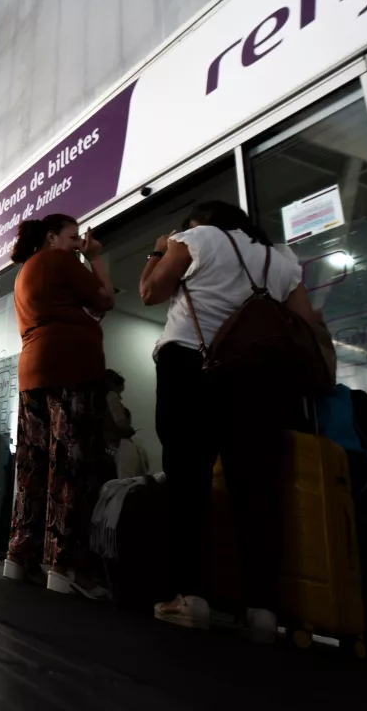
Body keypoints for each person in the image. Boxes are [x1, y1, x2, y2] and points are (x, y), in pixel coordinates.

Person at [138, 199, 310, 643]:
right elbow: (304, 324)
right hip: (258, 378)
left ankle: (190, 598)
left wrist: (159, 251)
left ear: (202, 223)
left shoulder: (195, 238)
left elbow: (150, 293)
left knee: (188, 482)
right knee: (255, 489)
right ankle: (263, 611)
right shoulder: (282, 258)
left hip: (190, 367)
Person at [1, 213, 115, 597]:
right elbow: (105, 298)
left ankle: (20, 556)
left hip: (32, 369)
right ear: (52, 237)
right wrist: (95, 257)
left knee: (33, 465)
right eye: (72, 237)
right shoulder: (60, 260)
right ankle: (64, 566)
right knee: (71, 464)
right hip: (71, 366)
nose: (78, 243)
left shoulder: (24, 273)